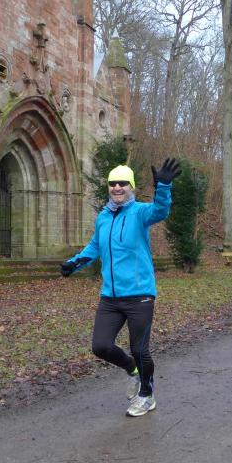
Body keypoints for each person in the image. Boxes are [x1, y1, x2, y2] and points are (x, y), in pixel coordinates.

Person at [59, 158, 181, 417]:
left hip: (140, 296)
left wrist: (163, 187)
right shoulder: (103, 217)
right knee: (101, 346)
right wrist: (74, 263)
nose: (117, 187)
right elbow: (95, 246)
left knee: (140, 349)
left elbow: (161, 211)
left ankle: (147, 395)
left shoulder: (140, 212)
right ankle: (131, 369)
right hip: (110, 298)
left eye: (123, 183)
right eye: (113, 183)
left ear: (131, 187)